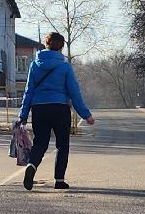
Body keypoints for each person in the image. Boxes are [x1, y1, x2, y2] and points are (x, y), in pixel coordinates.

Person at [16, 32, 94, 191]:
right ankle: (59, 180)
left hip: (39, 109)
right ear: (61, 47)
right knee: (62, 144)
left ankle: (32, 165)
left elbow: (28, 91)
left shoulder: (34, 65)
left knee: (40, 143)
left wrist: (23, 115)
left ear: (46, 44)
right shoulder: (64, 66)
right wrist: (85, 115)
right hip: (59, 108)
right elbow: (74, 92)